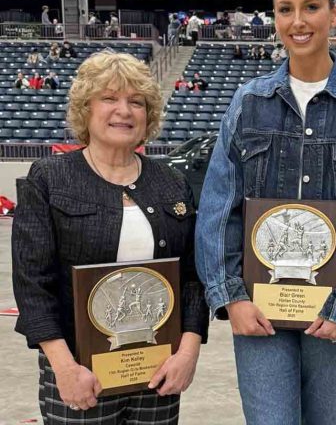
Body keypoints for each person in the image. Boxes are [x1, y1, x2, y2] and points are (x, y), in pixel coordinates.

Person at [196, 0, 336, 425]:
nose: (298, 21)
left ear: (334, 14)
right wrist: (231, 297)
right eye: (285, 9)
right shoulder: (248, 102)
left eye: (311, 7)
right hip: (260, 315)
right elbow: (218, 207)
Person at [11, 50, 209, 423]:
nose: (124, 110)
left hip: (157, 369)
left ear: (148, 115)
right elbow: (32, 284)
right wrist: (65, 369)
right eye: (109, 98)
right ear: (86, 109)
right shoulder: (50, 177)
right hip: (80, 372)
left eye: (137, 102)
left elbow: (193, 278)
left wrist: (187, 353)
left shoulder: (172, 183)